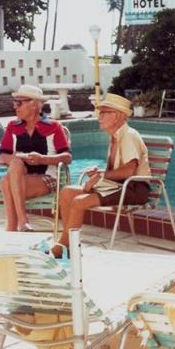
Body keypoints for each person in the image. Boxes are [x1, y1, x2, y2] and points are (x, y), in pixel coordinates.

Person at [52, 93, 151, 256]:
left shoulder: (129, 136)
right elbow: (119, 172)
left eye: (104, 112)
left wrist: (101, 177)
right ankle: (67, 243)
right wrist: (99, 174)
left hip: (134, 188)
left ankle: (63, 246)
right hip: (120, 186)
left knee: (79, 202)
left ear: (118, 116)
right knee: (67, 192)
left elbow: (129, 171)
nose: (99, 116)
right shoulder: (115, 136)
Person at [0, 84, 72, 232]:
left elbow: (67, 157)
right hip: (19, 175)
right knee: (15, 164)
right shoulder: (13, 126)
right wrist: (15, 159)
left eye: (19, 103)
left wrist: (42, 159)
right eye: (15, 103)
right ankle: (22, 221)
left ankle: (11, 227)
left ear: (34, 104)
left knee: (6, 182)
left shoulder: (54, 126)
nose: (15, 107)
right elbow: (2, 155)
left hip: (46, 178)